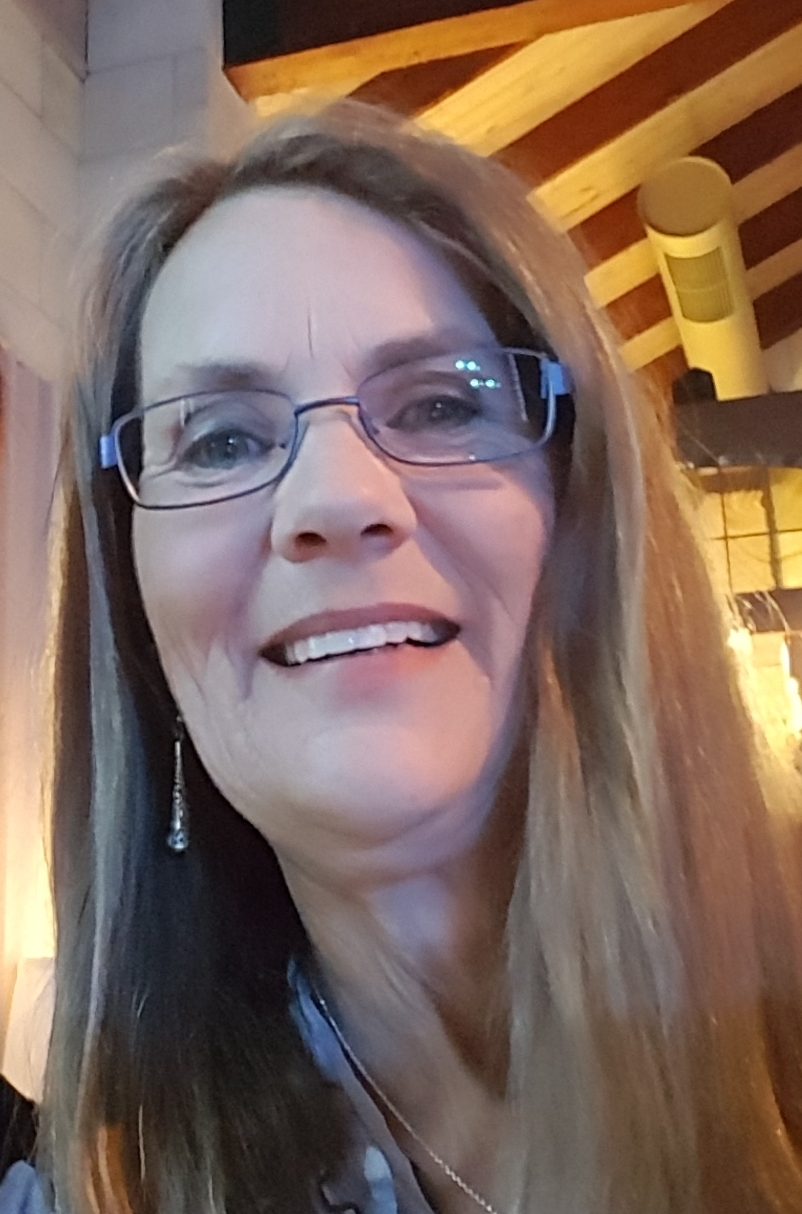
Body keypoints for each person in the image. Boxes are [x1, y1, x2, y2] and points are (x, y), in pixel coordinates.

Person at [2, 99, 802, 1214]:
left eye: (438, 405)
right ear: (138, 620)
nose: (336, 498)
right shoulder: (99, 1190)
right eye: (221, 438)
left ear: (585, 504)